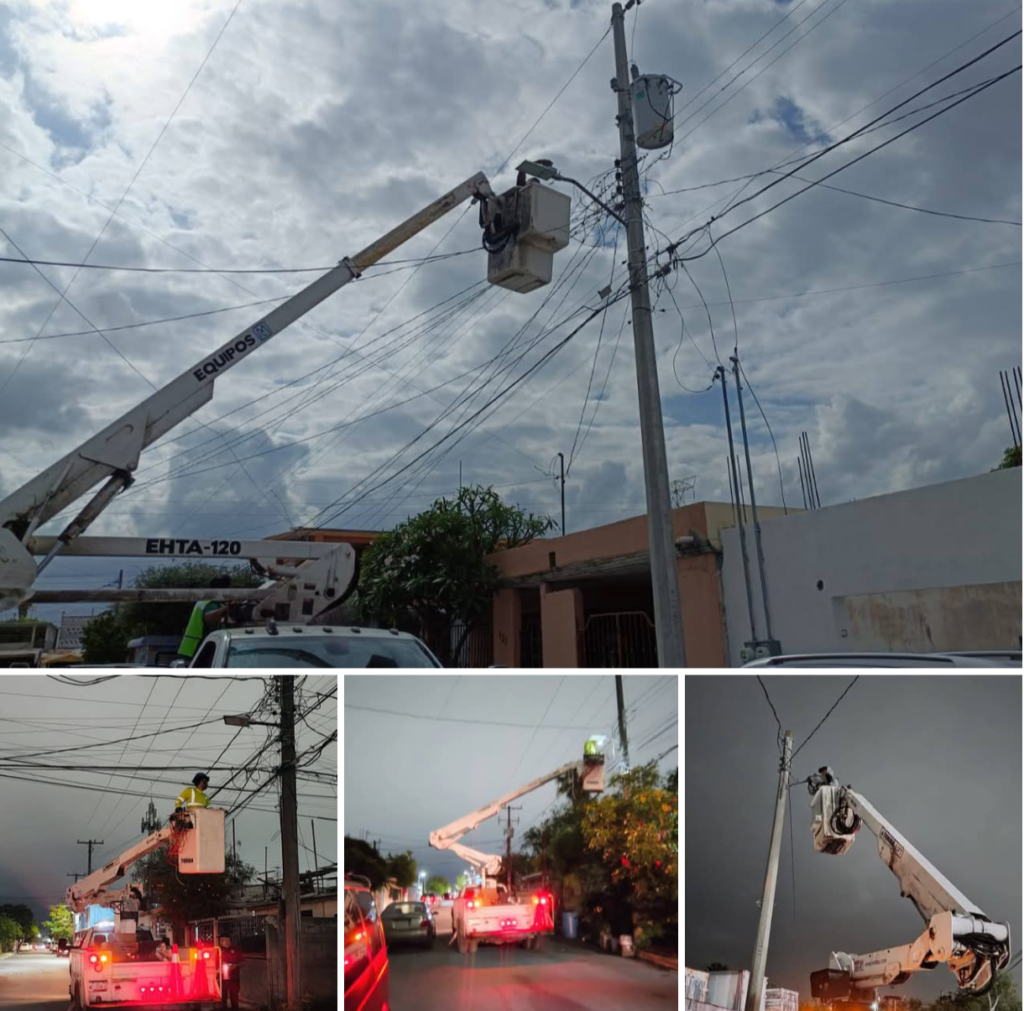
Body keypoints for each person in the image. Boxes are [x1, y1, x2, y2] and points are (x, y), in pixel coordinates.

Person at [177, 574, 233, 659]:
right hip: (196, 650)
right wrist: (226, 609)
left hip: (192, 650)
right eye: (229, 588)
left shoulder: (207, 602)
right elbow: (208, 617)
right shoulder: (210, 604)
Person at [218, 936, 245, 1011]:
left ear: (228, 940)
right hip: (222, 979)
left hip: (234, 978)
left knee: (234, 997)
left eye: (223, 940)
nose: (222, 942)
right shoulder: (219, 950)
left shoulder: (236, 950)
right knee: (223, 997)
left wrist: (236, 965)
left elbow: (243, 962)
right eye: (221, 940)